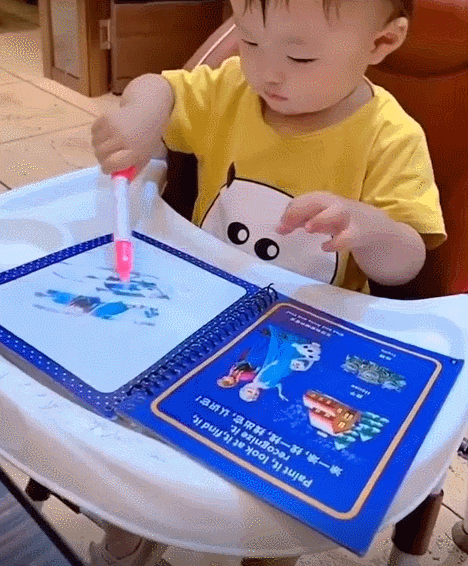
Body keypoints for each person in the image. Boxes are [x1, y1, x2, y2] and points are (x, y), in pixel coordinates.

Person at [89, 0, 446, 561]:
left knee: (278, 507)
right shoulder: (232, 88)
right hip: (206, 309)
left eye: (300, 58)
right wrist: (138, 116)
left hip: (312, 341)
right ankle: (130, 534)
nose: (267, 73)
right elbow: (161, 87)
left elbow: (406, 264)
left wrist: (370, 226)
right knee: (127, 434)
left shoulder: (390, 136)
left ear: (381, 43)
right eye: (250, 41)